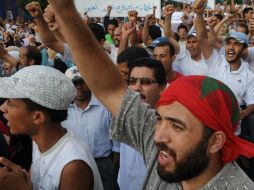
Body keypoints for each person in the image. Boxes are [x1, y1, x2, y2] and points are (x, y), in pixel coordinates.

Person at [46, 0, 254, 189]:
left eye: (177, 126)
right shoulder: (162, 148)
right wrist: (65, 10)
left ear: (215, 141)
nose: (158, 135)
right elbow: (109, 88)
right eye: (158, 119)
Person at [0, 65, 103, 190]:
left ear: (38, 117)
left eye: (10, 103)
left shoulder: (72, 167)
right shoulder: (40, 142)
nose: (2, 108)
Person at [63, 66, 119, 190]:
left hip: (103, 163)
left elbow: (116, 140)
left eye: (82, 82)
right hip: (75, 164)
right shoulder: (64, 110)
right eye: (74, 83)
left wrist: (113, 164)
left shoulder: (105, 105)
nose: (78, 87)